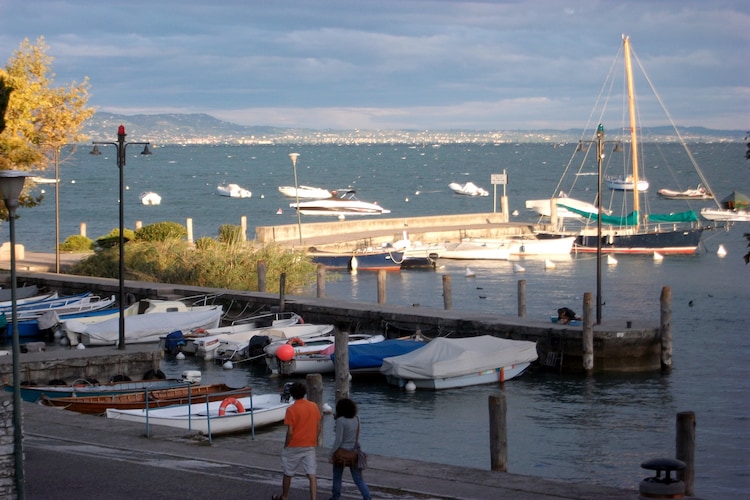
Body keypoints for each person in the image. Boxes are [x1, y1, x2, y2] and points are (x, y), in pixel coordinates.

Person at [273, 382, 321, 500]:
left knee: (288, 472)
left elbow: (290, 431)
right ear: (304, 392)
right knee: (311, 474)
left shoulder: (291, 410)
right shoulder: (313, 406)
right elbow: (318, 426)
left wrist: (286, 445)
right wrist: (315, 438)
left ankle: (284, 496)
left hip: (294, 444)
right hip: (309, 444)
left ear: (292, 395)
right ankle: (313, 498)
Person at [329, 398, 371, 500]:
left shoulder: (340, 421)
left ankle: (336, 497)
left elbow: (338, 440)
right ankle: (367, 497)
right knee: (358, 479)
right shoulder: (357, 418)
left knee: (337, 477)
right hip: (354, 452)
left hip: (341, 452)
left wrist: (331, 453)